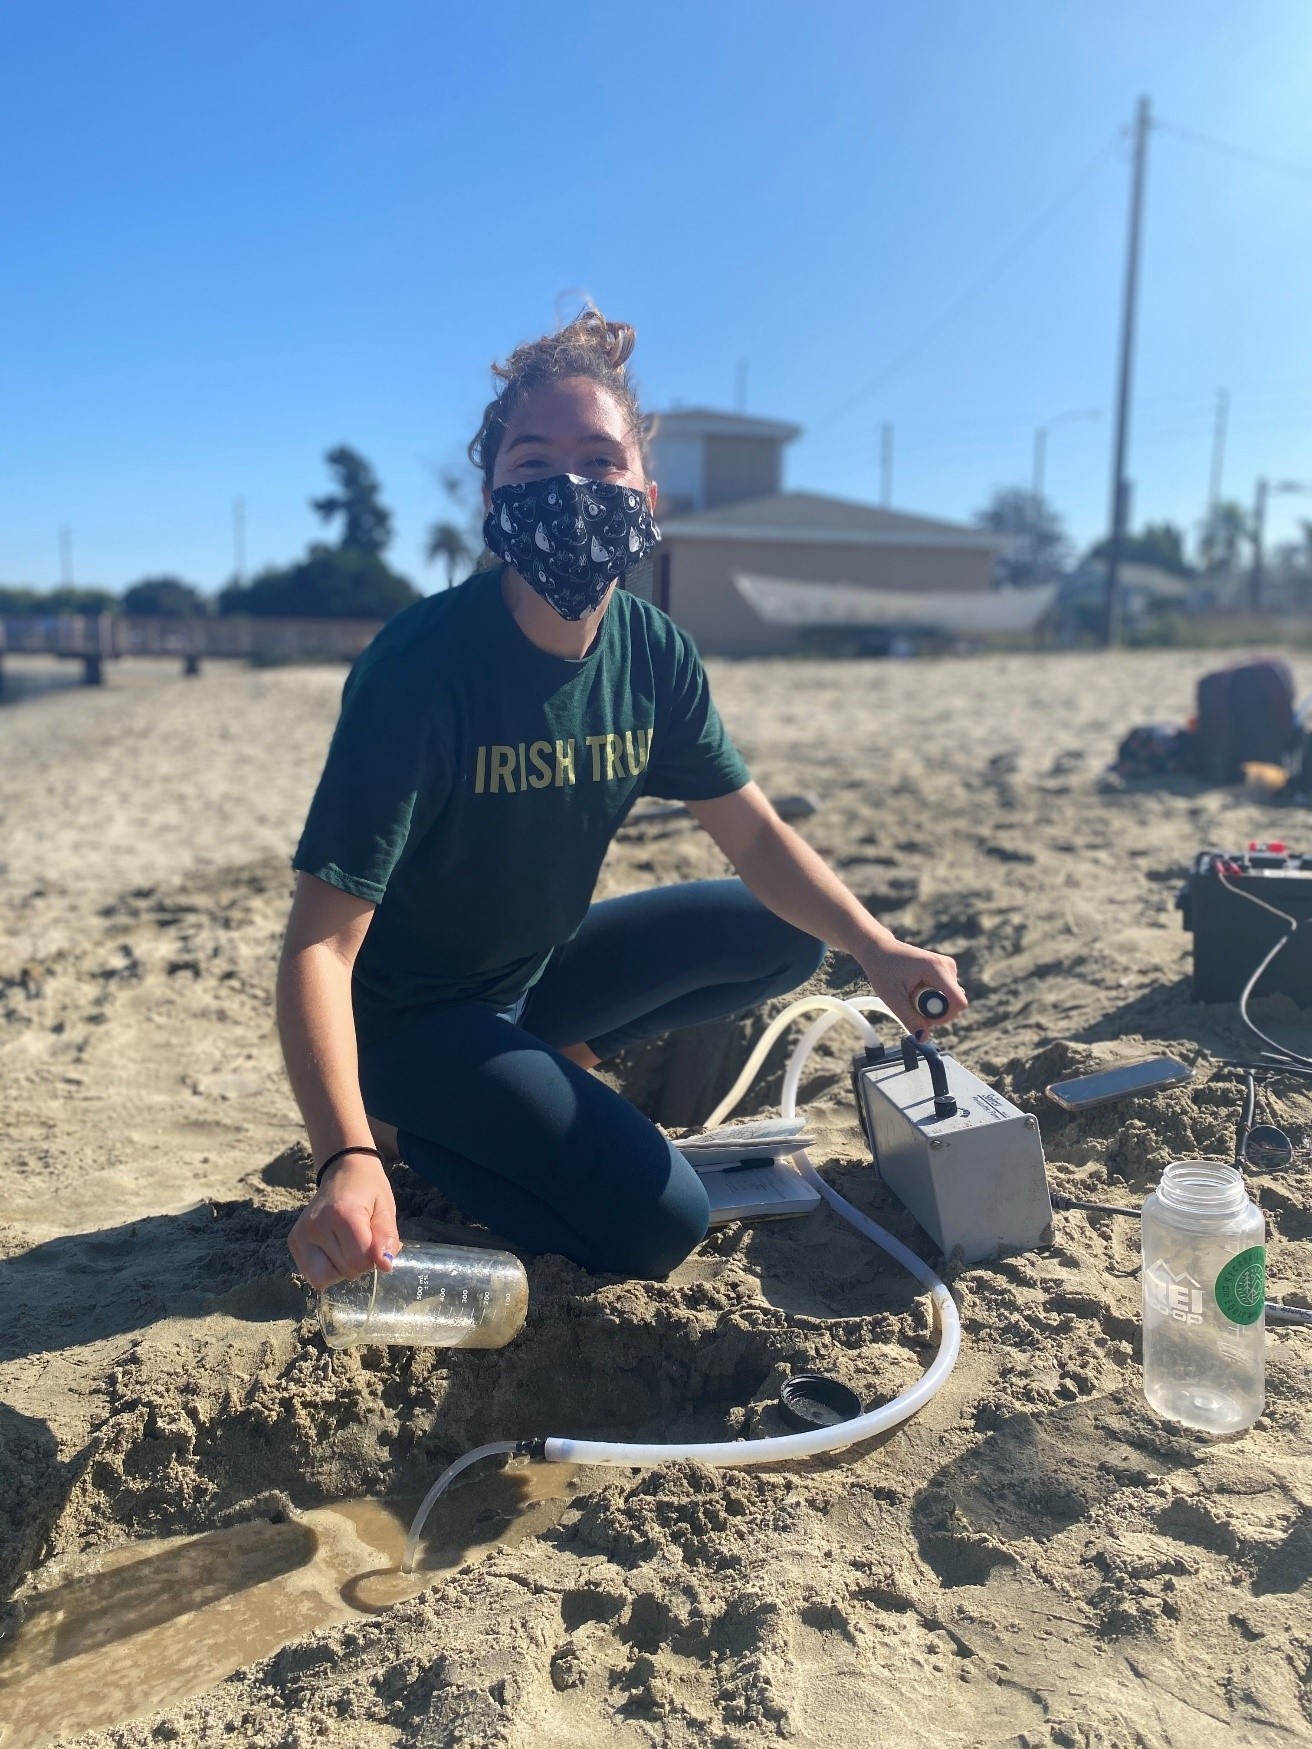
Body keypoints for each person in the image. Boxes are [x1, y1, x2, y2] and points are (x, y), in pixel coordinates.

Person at [279, 310, 966, 1291]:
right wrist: (343, 1157)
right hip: (405, 1021)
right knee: (659, 1224)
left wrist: (880, 948)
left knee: (787, 934)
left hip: (529, 977)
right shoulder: (421, 670)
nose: (567, 490)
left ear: (646, 495)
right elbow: (317, 944)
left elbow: (758, 838)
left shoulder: (651, 651)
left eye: (600, 462)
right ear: (490, 501)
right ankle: (410, 1126)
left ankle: (533, 1065)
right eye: (531, 466)